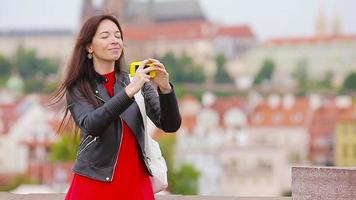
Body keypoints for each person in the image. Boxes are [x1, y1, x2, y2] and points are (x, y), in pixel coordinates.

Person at [53, 14, 181, 200]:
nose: (114, 41)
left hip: (136, 185)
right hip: (95, 185)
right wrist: (129, 92)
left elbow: (170, 125)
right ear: (89, 46)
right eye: (105, 36)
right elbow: (92, 125)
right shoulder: (79, 87)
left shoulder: (136, 82)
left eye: (118, 36)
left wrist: (165, 88)